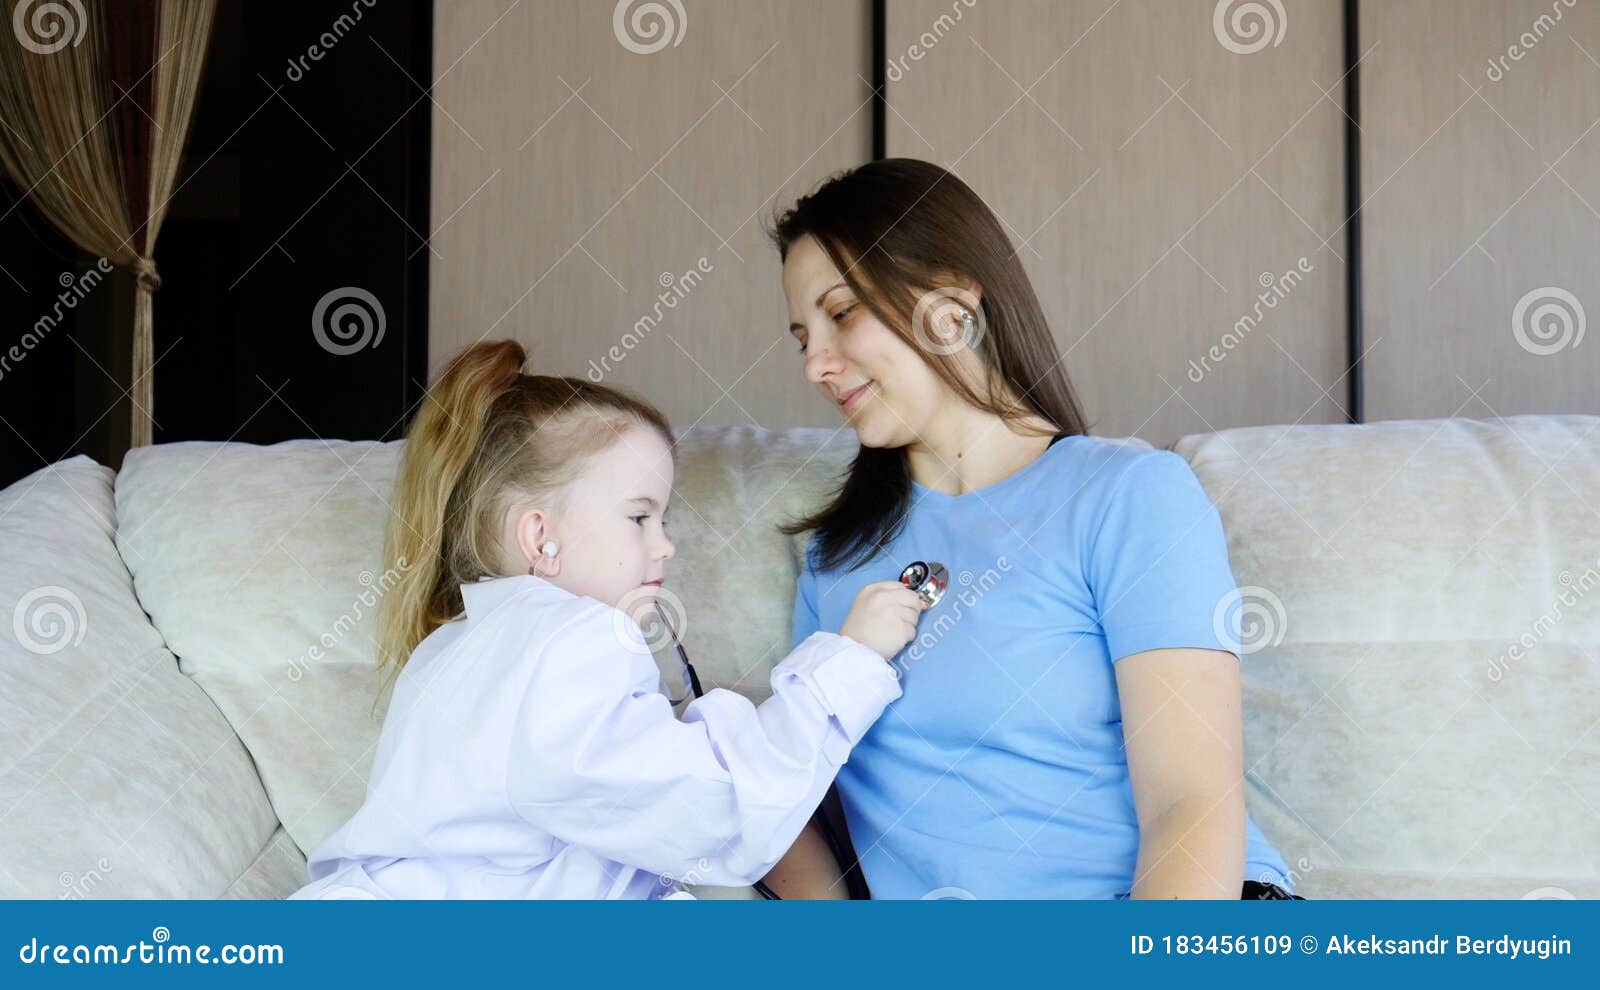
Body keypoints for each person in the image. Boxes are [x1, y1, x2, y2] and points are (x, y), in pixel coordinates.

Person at [764, 159, 1300, 900]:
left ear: (951, 307)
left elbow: (1193, 802)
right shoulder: (834, 561)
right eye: (801, 338)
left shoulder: (1128, 496)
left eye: (842, 312)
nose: (816, 365)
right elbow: (785, 793)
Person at [291, 339, 928, 900]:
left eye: (665, 519)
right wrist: (850, 661)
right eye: (639, 516)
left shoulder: (449, 648)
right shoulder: (574, 637)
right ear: (541, 536)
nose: (665, 545)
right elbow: (716, 812)